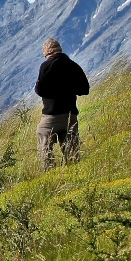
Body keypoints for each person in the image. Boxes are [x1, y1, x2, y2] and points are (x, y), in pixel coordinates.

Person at [35, 38, 89, 169]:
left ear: (47, 53)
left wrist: (52, 94)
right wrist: (69, 89)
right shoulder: (73, 65)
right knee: (71, 147)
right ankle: (74, 171)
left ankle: (49, 171)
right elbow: (84, 89)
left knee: (43, 139)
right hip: (70, 114)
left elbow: (39, 89)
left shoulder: (46, 66)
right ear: (59, 50)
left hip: (52, 115)